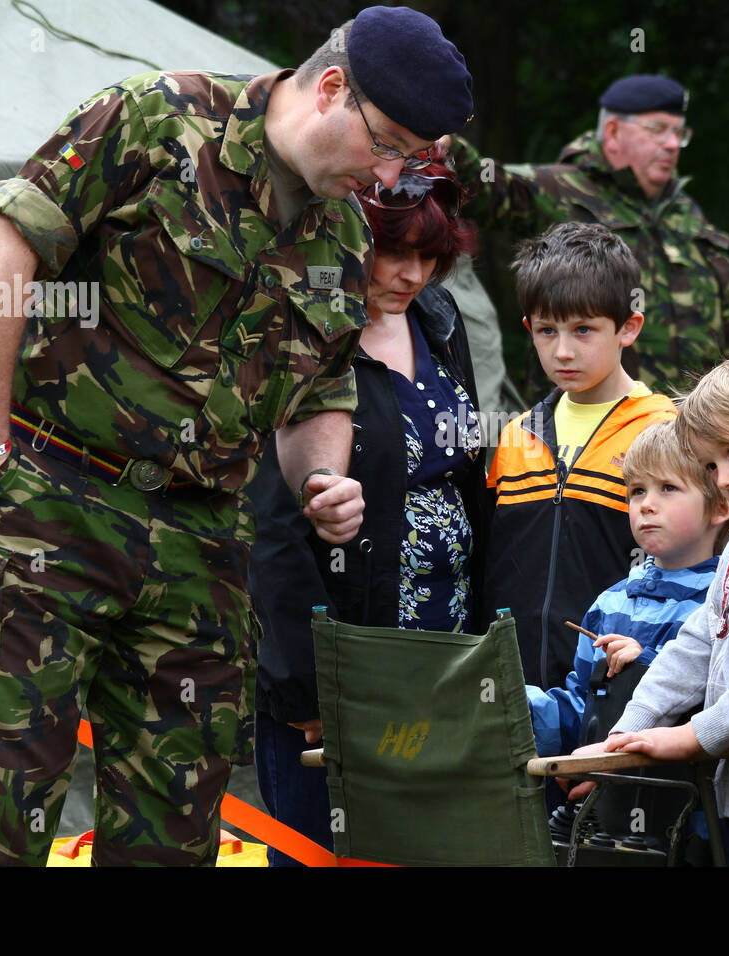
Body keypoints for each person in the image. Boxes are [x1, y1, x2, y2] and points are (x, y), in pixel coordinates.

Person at [0, 6, 474, 866]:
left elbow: (318, 385)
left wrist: (322, 479)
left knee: (171, 842)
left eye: (413, 158)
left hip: (203, 552)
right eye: (391, 144)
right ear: (332, 88)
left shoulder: (342, 234)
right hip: (50, 514)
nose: (392, 174)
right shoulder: (158, 119)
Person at [247, 151, 485, 865]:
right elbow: (271, 524)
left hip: (444, 663)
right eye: (394, 252)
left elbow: (468, 477)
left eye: (429, 257)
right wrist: (306, 691)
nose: (411, 275)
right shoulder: (304, 326)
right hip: (341, 666)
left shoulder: (438, 319)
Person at [570, 354, 729, 867]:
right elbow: (695, 644)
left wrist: (691, 737)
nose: (723, 477)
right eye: (711, 465)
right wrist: (628, 734)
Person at [448, 74, 729, 396]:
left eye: (678, 133)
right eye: (657, 130)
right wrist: (441, 140)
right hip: (588, 425)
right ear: (612, 132)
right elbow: (485, 184)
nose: (671, 144)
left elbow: (722, 325)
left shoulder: (687, 212)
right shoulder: (559, 191)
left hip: (692, 424)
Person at [483, 221, 675, 691]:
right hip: (512, 687)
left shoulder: (667, 432)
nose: (563, 351)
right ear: (528, 328)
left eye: (584, 329)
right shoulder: (513, 437)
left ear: (628, 328)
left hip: (618, 684)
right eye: (547, 330)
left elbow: (692, 568)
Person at [527, 421, 729, 758]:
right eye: (637, 491)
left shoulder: (725, 600)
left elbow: (725, 710)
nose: (646, 505)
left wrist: (643, 669)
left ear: (721, 507)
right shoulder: (608, 604)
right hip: (599, 799)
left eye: (668, 488)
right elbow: (583, 710)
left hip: (684, 802)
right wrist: (522, 708)